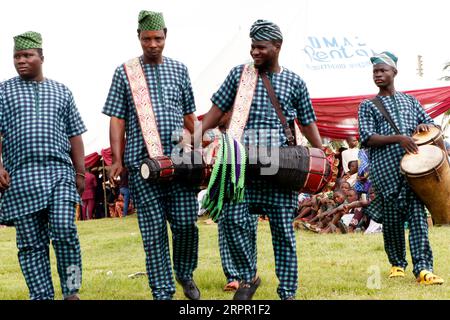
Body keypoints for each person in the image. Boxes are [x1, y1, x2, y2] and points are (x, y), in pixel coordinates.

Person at [198, 20, 322, 300]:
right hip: (241, 168)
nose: (254, 52)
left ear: (277, 47)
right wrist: (195, 138)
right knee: (231, 219)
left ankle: (287, 292)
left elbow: (308, 121)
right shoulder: (237, 76)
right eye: (252, 46)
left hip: (281, 169)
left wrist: (320, 151)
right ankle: (248, 276)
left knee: (282, 233)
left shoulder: (295, 82)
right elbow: (216, 111)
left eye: (260, 47)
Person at [102, 11, 201, 300]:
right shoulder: (125, 72)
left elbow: (189, 116)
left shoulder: (180, 70)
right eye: (147, 39)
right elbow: (117, 119)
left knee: (185, 225)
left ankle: (184, 273)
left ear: (166, 35)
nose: (153, 44)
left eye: (157, 38)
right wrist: (117, 160)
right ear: (139, 38)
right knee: (153, 231)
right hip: (142, 164)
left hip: (179, 163)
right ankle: (162, 291)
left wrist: (201, 149)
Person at [0, 31, 86, 300]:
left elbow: (75, 134)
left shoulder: (62, 91)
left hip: (59, 173)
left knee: (65, 230)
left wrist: (80, 171)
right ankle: (41, 295)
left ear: (41, 57)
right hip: (20, 178)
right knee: (30, 244)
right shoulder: (3, 91)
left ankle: (71, 290)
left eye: (27, 55)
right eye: (17, 56)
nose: (21, 61)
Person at [358, 51, 444, 285]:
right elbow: (366, 138)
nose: (378, 74)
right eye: (375, 71)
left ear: (394, 72)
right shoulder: (368, 105)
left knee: (417, 216)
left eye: (382, 70)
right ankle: (397, 263)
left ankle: (424, 269)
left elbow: (431, 124)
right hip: (385, 170)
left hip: (415, 171)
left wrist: (426, 124)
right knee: (392, 219)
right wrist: (399, 138)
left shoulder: (411, 101)